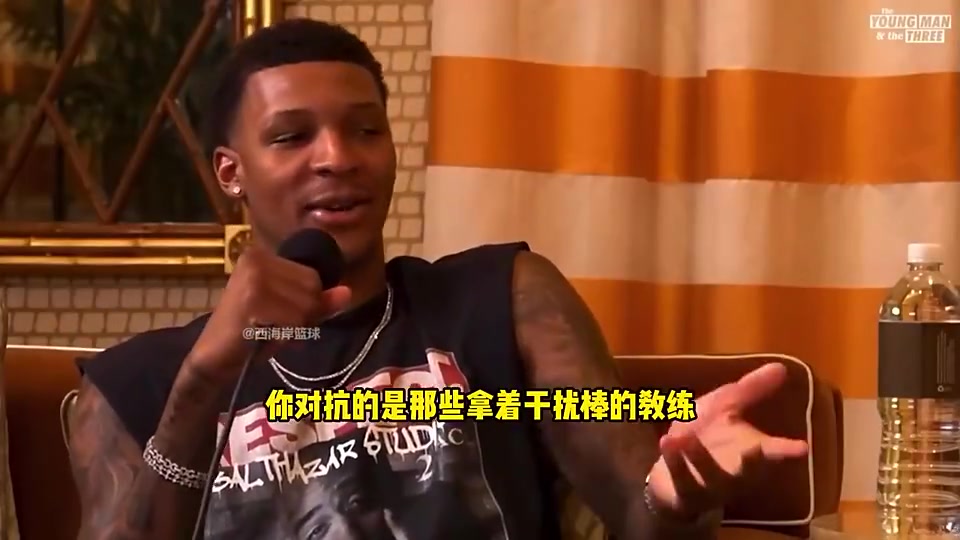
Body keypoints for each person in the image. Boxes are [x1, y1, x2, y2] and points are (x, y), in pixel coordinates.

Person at [67, 18, 809, 540]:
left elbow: (637, 506)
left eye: (366, 129)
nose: (338, 157)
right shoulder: (139, 380)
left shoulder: (501, 298)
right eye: (292, 136)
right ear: (231, 172)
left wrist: (677, 499)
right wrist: (203, 383)